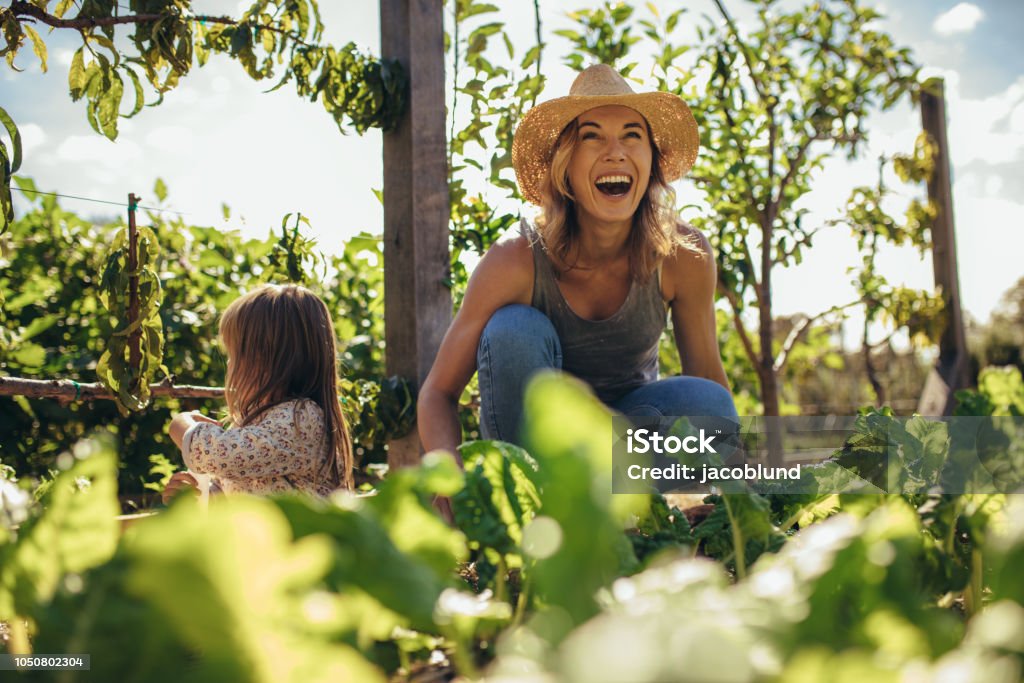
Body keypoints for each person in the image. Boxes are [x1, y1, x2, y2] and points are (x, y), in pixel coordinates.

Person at [418, 64, 738, 459]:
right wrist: (447, 473)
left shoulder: (681, 254)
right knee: (514, 329)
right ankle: (530, 500)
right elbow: (438, 392)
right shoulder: (514, 261)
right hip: (534, 449)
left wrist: (736, 496)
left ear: (652, 160)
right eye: (592, 138)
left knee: (710, 404)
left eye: (631, 136)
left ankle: (613, 506)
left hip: (625, 446)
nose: (615, 152)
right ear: (565, 165)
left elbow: (707, 375)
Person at [162, 284, 353, 503]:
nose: (229, 363)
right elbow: (240, 490)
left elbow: (220, 454)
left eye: (234, 353)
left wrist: (181, 425)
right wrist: (200, 496)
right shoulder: (255, 422)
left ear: (265, 360)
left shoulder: (301, 419)